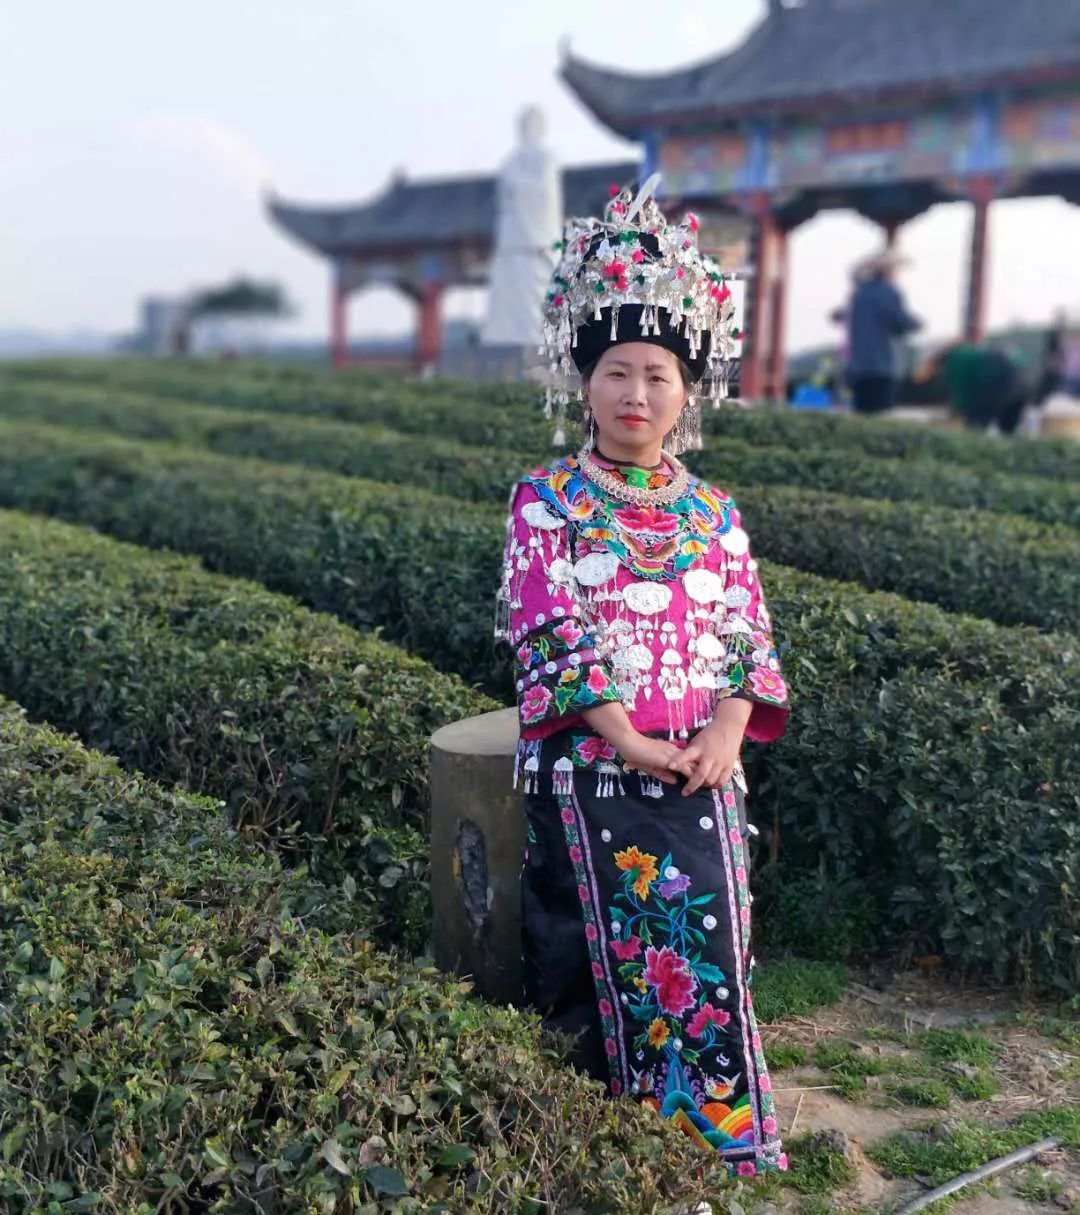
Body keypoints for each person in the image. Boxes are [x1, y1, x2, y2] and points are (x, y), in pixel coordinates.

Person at [495, 179, 790, 1178]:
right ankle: (595, 1150)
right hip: (593, 774)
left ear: (687, 388)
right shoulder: (546, 499)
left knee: (706, 948)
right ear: (581, 382)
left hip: (704, 776)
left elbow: (746, 628)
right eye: (617, 372)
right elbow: (547, 625)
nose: (636, 395)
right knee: (588, 961)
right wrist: (624, 737)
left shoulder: (716, 511)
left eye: (658, 375)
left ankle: (708, 1144)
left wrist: (723, 729)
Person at [847, 248, 921, 414]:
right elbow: (899, 322)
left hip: (859, 366)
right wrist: (916, 324)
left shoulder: (860, 292)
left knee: (862, 414)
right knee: (881, 413)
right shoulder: (890, 292)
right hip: (883, 364)